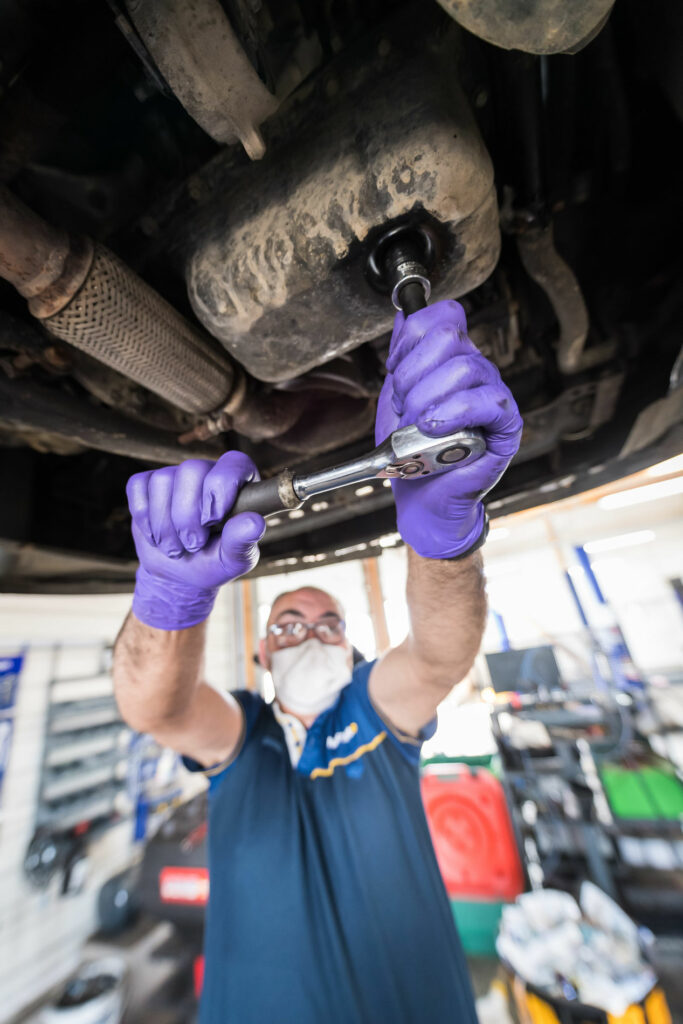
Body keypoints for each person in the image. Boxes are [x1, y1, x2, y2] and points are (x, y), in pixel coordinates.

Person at [113, 300, 522, 1023]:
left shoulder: (373, 712)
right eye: (289, 624)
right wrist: (168, 600)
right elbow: (157, 708)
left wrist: (440, 536)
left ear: (353, 649)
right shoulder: (243, 738)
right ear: (262, 653)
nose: (309, 634)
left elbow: (438, 654)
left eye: (328, 624)